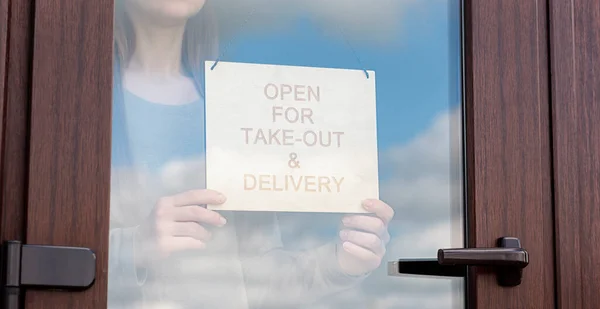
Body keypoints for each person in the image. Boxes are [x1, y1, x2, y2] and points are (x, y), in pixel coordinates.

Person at [107, 0, 395, 308]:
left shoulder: (235, 107)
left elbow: (259, 280)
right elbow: (53, 257)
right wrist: (133, 247)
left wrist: (342, 261)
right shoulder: (75, 99)